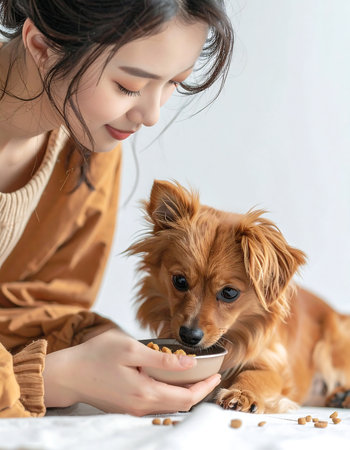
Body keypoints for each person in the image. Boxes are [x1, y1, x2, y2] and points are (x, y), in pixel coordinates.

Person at [0, 0, 233, 417]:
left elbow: (34, 309)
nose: (151, 114)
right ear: (41, 46)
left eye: (174, 82)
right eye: (128, 86)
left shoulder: (86, 147)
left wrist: (104, 346)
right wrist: (55, 378)